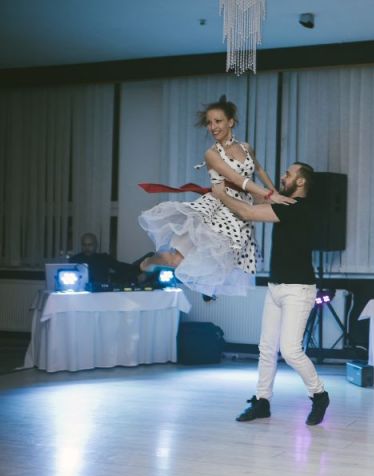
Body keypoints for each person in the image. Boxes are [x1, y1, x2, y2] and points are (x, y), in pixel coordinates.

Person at [210, 162, 330, 426]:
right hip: (276, 286)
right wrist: (234, 184)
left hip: (298, 290)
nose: (283, 177)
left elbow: (248, 212)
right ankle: (262, 401)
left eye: (288, 174)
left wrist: (220, 194)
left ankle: (319, 395)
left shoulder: (298, 207)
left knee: (290, 351)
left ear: (301, 182)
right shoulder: (286, 204)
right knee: (266, 348)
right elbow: (257, 200)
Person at [138, 96, 294, 296]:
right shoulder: (211, 154)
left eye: (218, 121)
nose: (212, 127)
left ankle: (165, 266)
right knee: (176, 260)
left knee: (217, 266)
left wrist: (274, 191)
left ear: (231, 122)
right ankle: (149, 261)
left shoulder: (246, 147)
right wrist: (270, 195)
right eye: (209, 123)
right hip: (218, 207)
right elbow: (238, 179)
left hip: (241, 208)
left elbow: (259, 169)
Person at [69, 232, 138, 287]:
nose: (87, 248)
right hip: (80, 291)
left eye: (90, 245)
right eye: (84, 245)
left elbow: (120, 267)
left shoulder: (104, 258)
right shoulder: (74, 260)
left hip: (101, 292)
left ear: (96, 245)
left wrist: (138, 269)